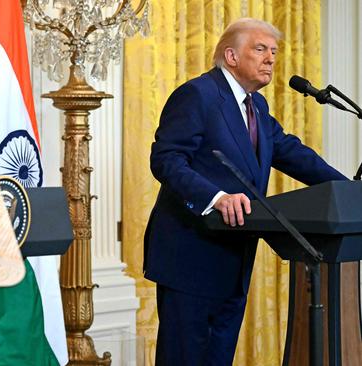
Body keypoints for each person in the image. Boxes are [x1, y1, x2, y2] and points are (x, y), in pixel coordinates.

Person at [143, 18, 348, 366]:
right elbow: (166, 160)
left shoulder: (257, 107)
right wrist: (215, 198)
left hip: (234, 259)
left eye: (273, 51)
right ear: (231, 55)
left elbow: (292, 153)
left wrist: (348, 190)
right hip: (190, 256)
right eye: (260, 49)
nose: (270, 58)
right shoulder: (198, 95)